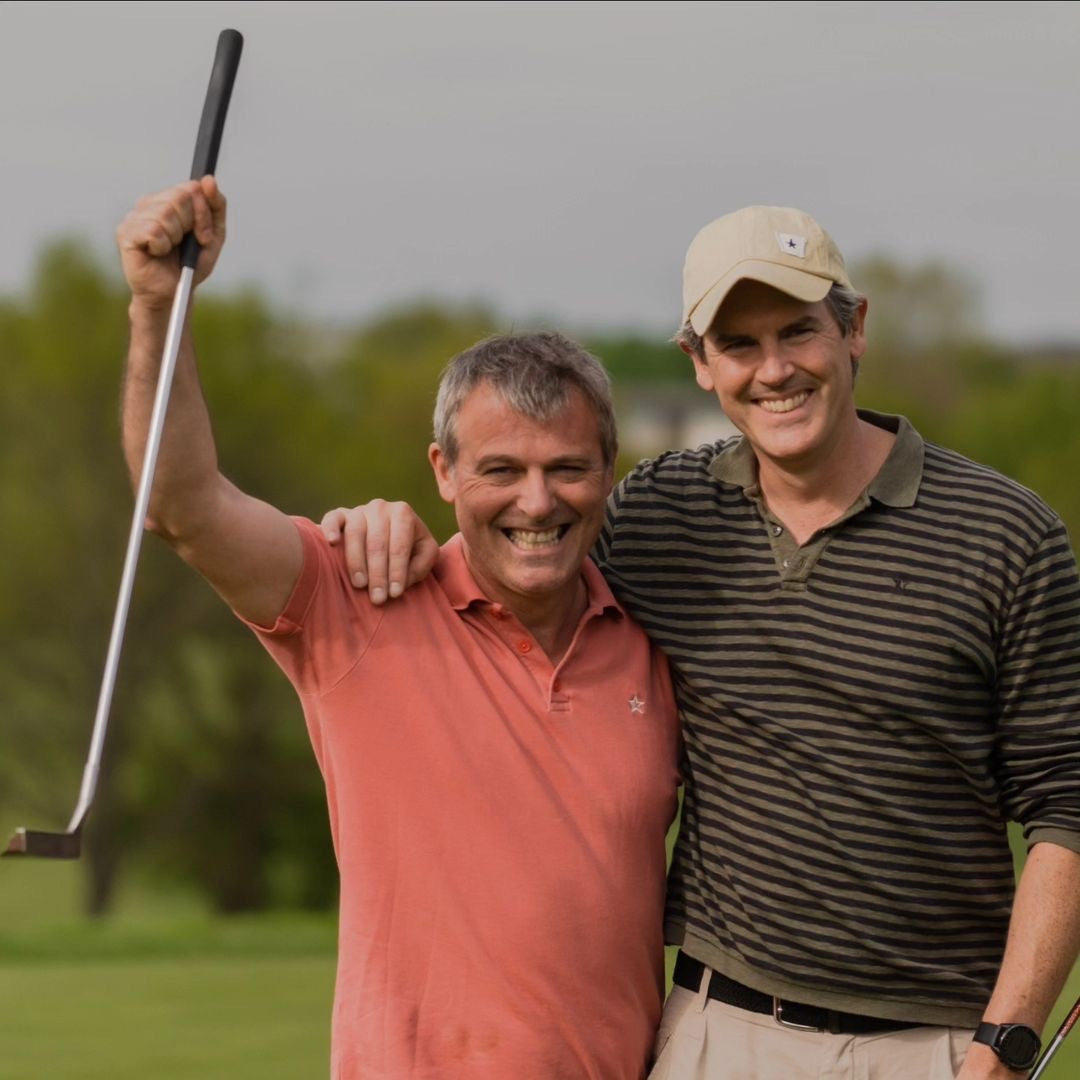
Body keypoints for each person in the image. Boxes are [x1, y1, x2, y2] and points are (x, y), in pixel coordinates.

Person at [327, 205, 1080, 1079]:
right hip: (713, 1034)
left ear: (855, 329)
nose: (774, 371)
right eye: (739, 345)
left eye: (798, 331)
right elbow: (524, 544)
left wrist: (1007, 1041)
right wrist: (388, 527)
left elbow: (1068, 803)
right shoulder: (656, 513)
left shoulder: (1005, 535)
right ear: (699, 364)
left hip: (936, 1047)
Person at [116, 175, 680, 1080]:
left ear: (609, 469)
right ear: (442, 471)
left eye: (567, 469)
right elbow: (180, 503)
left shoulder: (654, 639)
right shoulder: (354, 598)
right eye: (501, 469)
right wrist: (157, 308)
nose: (538, 502)